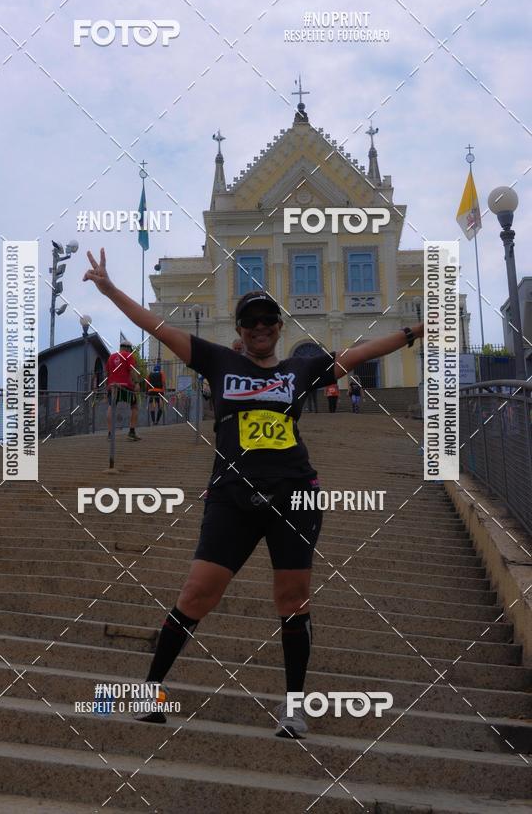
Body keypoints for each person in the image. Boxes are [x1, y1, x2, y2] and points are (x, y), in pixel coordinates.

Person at [84, 249, 424, 738]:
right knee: (197, 593)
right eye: (250, 321)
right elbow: (159, 328)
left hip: (294, 496)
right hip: (231, 497)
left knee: (293, 598)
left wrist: (415, 332)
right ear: (240, 331)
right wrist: (110, 289)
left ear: (278, 329)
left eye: (268, 320)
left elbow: (363, 351)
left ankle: (293, 708)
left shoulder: (298, 371)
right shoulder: (218, 362)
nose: (260, 327)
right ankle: (150, 692)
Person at [106, 338, 141, 441]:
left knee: (111, 407)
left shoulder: (111, 357)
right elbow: (132, 371)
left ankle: (110, 434)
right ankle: (131, 432)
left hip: (112, 386)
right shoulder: (129, 356)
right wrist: (137, 383)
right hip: (125, 386)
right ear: (129, 349)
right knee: (134, 407)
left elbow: (107, 373)